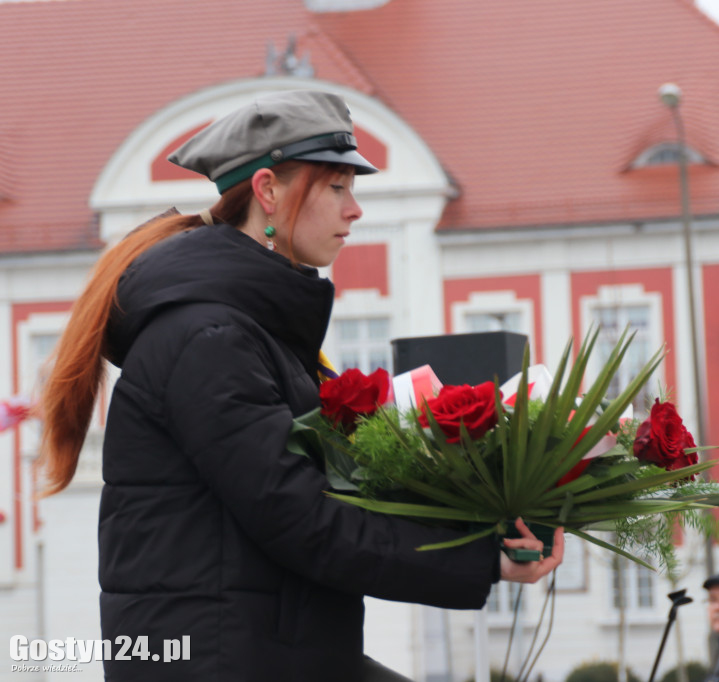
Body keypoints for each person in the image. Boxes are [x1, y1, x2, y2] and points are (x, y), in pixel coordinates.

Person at [38, 89, 563, 681]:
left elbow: (329, 499)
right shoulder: (209, 338)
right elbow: (301, 518)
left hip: (271, 646)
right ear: (268, 191)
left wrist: (484, 517)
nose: (353, 209)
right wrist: (477, 561)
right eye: (337, 187)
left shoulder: (252, 330)